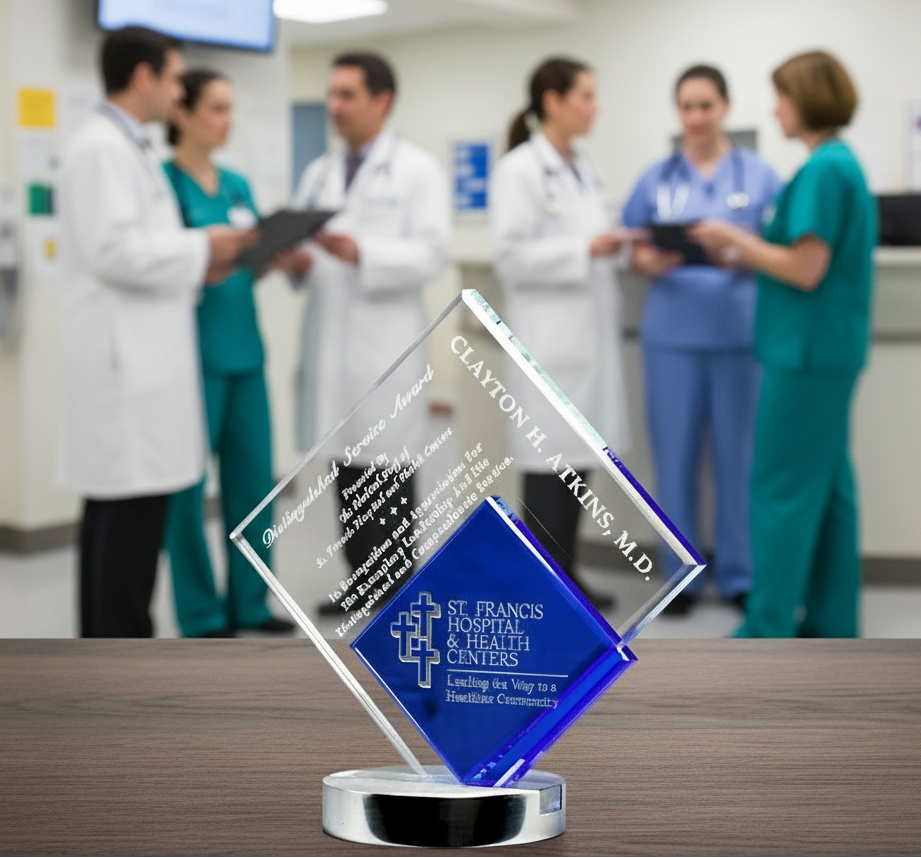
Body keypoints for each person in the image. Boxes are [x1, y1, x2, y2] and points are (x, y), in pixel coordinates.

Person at [58, 27, 254, 637]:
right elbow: (115, 251)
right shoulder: (100, 147)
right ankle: (114, 664)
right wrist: (202, 246)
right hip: (126, 374)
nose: (177, 93)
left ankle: (112, 653)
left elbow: (147, 249)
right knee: (122, 534)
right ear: (143, 76)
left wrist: (204, 257)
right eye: (173, 78)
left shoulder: (129, 147)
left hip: (145, 366)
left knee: (128, 533)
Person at [690, 50, 876, 638]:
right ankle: (830, 622)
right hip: (828, 351)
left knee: (780, 489)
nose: (775, 110)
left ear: (806, 99)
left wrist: (734, 242)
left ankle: (766, 628)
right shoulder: (841, 164)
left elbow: (806, 268)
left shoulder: (823, 169)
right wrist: (752, 248)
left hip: (805, 355)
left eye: (782, 97)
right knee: (828, 489)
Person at [290, 51, 450, 614]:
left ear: (382, 100)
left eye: (347, 95)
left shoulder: (416, 171)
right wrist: (297, 260)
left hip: (386, 348)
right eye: (331, 94)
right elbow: (310, 253)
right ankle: (360, 582)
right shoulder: (319, 173)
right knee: (346, 468)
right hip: (334, 348)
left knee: (386, 468)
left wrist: (364, 252)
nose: (334, 106)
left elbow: (433, 254)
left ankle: (396, 589)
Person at [621, 65, 783, 614]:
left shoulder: (760, 175)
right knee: (675, 459)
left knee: (739, 459)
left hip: (739, 335)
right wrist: (650, 260)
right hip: (671, 337)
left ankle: (739, 574)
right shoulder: (655, 179)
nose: (695, 118)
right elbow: (633, 250)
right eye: (686, 107)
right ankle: (679, 578)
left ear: (726, 107)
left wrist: (737, 249)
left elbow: (781, 249)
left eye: (705, 106)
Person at [162, 69, 306, 637]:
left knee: (253, 488)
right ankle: (199, 613)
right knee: (187, 496)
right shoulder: (164, 185)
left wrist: (277, 257)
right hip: (192, 360)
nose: (228, 120)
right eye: (217, 108)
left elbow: (246, 264)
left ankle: (251, 602)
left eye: (230, 108)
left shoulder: (238, 185)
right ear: (184, 114)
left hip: (247, 357)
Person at [490, 56, 635, 609]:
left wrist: (617, 247)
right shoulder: (520, 170)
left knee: (575, 469)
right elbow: (510, 257)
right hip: (548, 346)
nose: (595, 107)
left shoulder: (583, 167)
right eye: (586, 96)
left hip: (586, 344)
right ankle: (545, 589)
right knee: (549, 473)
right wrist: (586, 249)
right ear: (552, 100)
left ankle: (567, 580)